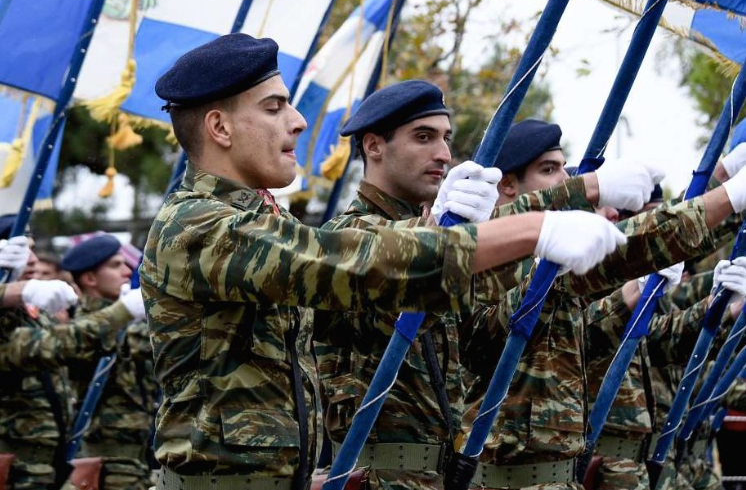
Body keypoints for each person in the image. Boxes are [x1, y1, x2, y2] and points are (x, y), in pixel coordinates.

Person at [141, 33, 626, 490]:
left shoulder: (253, 217)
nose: (298, 120)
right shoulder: (199, 224)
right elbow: (350, 260)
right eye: (274, 107)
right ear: (219, 127)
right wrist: (534, 227)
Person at [314, 80, 665, 490]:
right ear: (373, 146)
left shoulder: (438, 233)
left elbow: (478, 330)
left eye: (446, 138)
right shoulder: (349, 235)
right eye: (423, 137)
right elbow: (414, 258)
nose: (443, 154)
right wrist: (584, 190)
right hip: (377, 478)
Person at [459, 119, 746, 490]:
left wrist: (630, 298)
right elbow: (484, 341)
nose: (565, 180)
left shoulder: (552, 263)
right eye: (550, 170)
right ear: (508, 185)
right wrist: (726, 193)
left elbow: (593, 332)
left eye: (565, 168)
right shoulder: (481, 262)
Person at [0, 222, 147, 490]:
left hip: (53, 466)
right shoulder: (84, 320)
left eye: (32, 250)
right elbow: (52, 346)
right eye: (22, 252)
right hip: (19, 467)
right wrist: (122, 312)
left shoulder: (32, 314)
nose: (31, 260)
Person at [61, 235, 154, 490]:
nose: (127, 271)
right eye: (116, 266)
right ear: (90, 279)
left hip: (136, 459)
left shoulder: (124, 325)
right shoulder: (85, 332)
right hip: (105, 464)